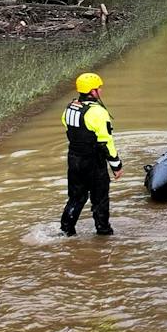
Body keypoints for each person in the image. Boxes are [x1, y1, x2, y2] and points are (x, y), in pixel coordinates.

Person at [60, 72, 122, 236]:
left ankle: (66, 230)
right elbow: (106, 141)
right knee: (100, 199)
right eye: (98, 88)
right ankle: (103, 232)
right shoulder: (98, 112)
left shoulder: (70, 108)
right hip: (93, 162)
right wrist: (116, 165)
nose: (101, 91)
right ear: (93, 91)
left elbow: (68, 129)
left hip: (74, 159)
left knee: (76, 198)